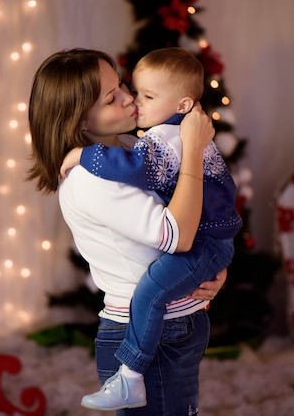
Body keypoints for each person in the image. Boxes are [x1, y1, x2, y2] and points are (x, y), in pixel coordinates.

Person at [27, 48, 227, 416]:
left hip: (176, 322)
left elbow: (193, 213)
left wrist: (210, 266)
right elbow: (176, 235)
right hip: (152, 334)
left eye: (121, 84)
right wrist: (194, 149)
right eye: (111, 97)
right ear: (80, 121)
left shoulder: (133, 149)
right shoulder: (90, 178)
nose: (129, 98)